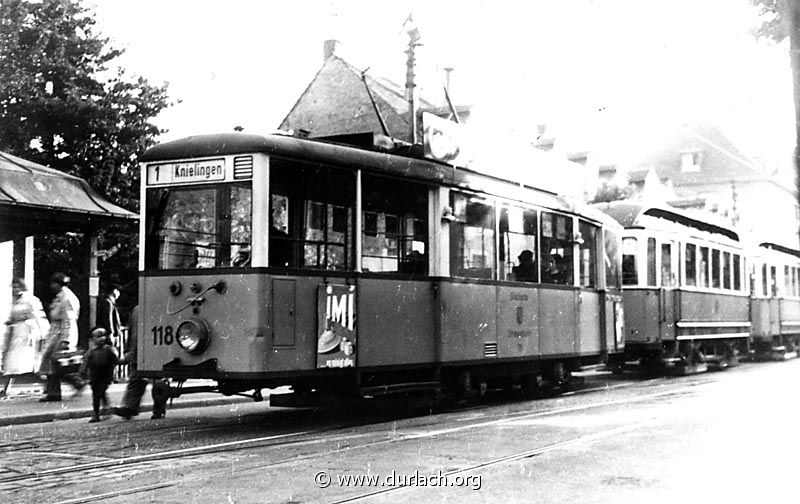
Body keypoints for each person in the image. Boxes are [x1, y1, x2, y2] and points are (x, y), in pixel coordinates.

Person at [113, 306, 167, 420]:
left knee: (158, 382)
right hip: (137, 351)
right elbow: (132, 331)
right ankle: (130, 408)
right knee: (135, 380)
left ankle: (159, 411)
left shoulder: (161, 307)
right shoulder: (137, 309)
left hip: (156, 351)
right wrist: (128, 350)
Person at [39, 272, 84, 402]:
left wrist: (66, 339)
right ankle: (57, 390)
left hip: (61, 333)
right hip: (55, 332)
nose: (51, 286)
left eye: (54, 283)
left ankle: (58, 391)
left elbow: (68, 320)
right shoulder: (60, 296)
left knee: (56, 363)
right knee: (52, 363)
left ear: (59, 284)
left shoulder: (66, 298)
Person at [1, 278, 49, 397]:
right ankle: (6, 388)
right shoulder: (15, 301)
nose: (15, 289)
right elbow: (13, 317)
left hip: (27, 333)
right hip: (16, 333)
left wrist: (43, 333)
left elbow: (38, 315)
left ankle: (48, 385)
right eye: (13, 287)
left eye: (17, 287)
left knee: (32, 363)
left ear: (22, 287)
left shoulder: (30, 300)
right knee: (11, 362)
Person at [81, 327, 118, 422]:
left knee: (99, 394)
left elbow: (116, 361)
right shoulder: (90, 352)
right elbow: (85, 363)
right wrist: (82, 372)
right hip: (94, 377)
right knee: (97, 396)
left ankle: (100, 412)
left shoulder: (108, 349)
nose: (101, 338)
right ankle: (100, 412)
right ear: (92, 339)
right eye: (98, 336)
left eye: (103, 336)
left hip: (105, 376)